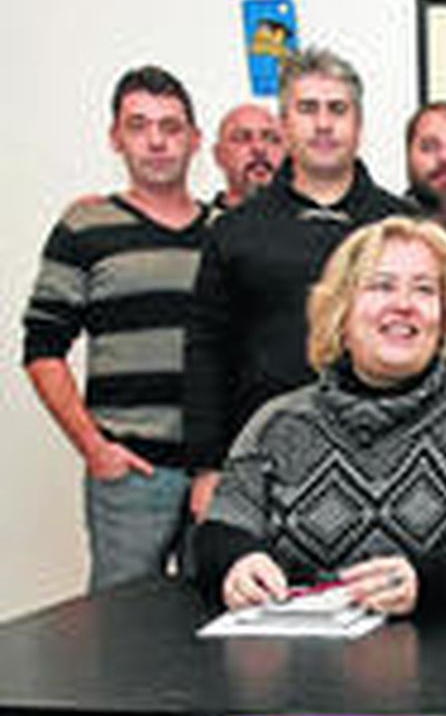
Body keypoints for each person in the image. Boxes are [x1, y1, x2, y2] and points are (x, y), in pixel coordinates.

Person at [191, 217, 446, 618]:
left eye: (424, 290)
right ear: (340, 311)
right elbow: (218, 532)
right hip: (302, 649)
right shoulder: (277, 424)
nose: (404, 304)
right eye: (382, 286)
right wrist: (239, 562)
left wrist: (429, 580)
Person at [186, 46, 413, 524]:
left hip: (390, 463)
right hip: (265, 463)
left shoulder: (403, 227)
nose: (324, 124)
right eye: (308, 109)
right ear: (285, 126)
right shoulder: (235, 230)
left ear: (359, 124)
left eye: (338, 109)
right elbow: (207, 350)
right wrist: (206, 467)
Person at [22, 65, 209, 591]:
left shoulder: (223, 231)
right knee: (121, 619)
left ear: (195, 140)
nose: (156, 141)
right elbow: (42, 349)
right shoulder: (84, 227)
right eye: (138, 125)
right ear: (115, 138)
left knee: (216, 615)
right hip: (130, 472)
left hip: (213, 472)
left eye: (171, 127)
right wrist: (94, 448)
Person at [211, 102, 284, 210]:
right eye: (241, 138)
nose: (259, 148)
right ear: (219, 155)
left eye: (272, 139)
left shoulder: (308, 217)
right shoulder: (202, 220)